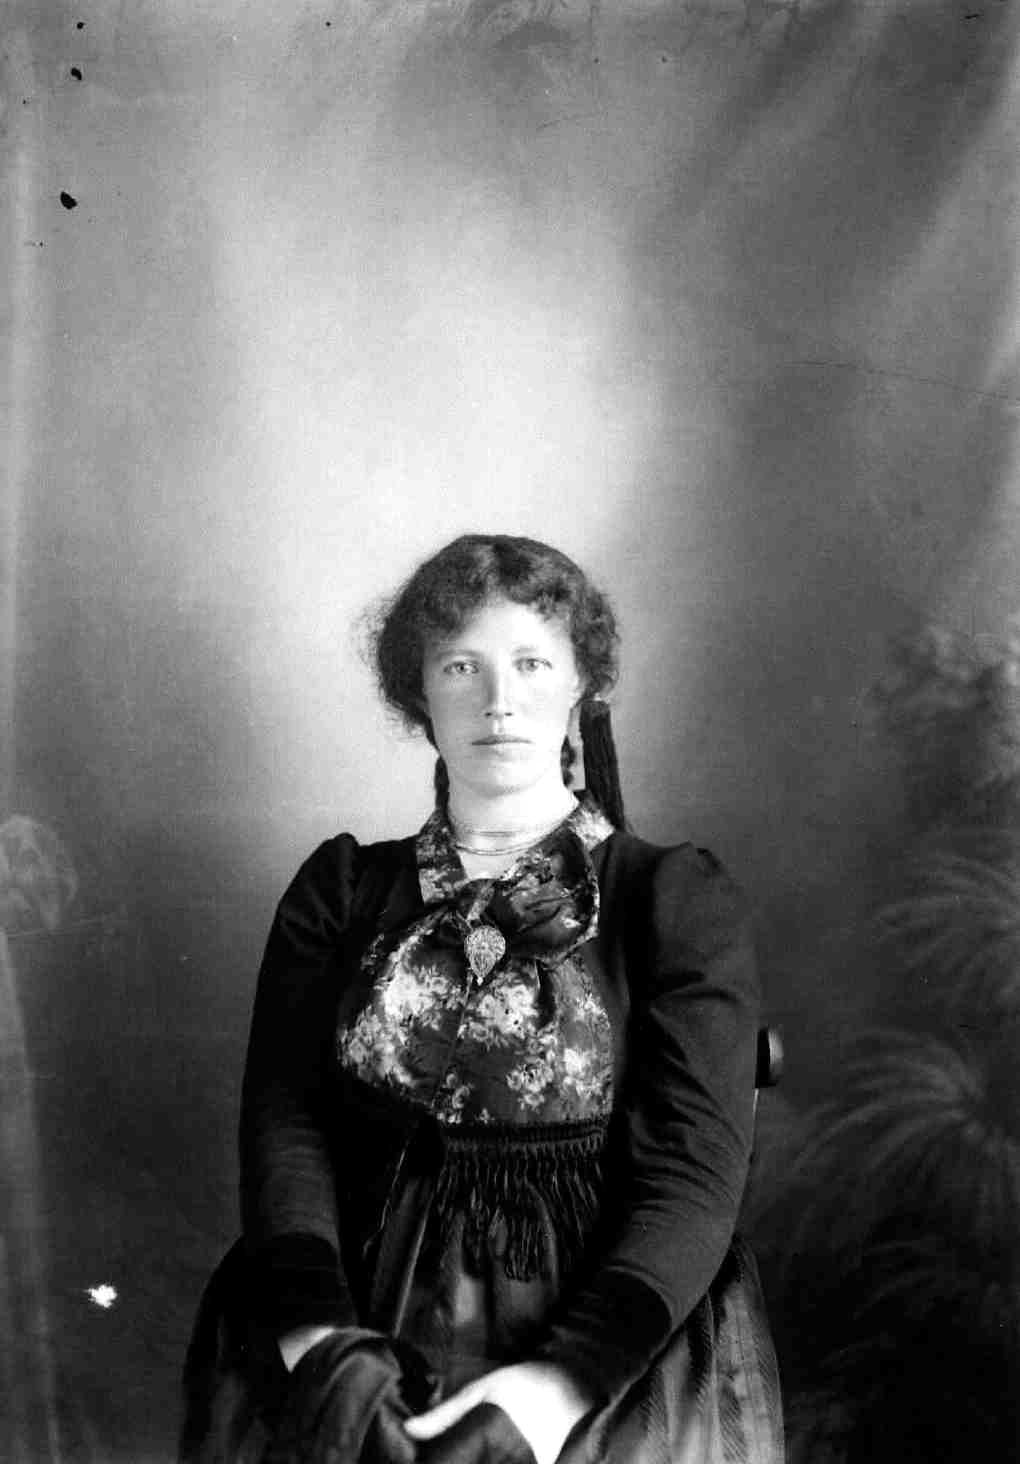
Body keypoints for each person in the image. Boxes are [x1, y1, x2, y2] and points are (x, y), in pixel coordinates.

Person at [180, 534, 783, 1464]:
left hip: (609, 1347)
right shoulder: (340, 892)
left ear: (581, 686)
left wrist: (554, 1392)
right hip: (347, 1312)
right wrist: (323, 1347)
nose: (499, 700)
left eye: (532, 664)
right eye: (461, 666)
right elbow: (286, 1126)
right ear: (418, 693)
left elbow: (694, 1175)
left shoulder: (670, 899)